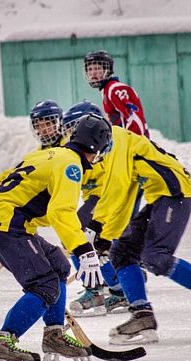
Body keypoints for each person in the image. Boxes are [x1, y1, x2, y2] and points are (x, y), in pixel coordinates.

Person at [83, 124, 191, 345]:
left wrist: (98, 227)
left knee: (155, 257)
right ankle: (142, 316)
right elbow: (126, 197)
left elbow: (117, 189)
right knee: (122, 253)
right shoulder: (116, 146)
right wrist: (107, 237)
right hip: (160, 198)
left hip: (176, 194)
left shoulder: (117, 143)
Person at [0, 112, 112, 361]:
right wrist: (84, 250)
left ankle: (54, 336)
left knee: (58, 265)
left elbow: (4, 181)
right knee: (44, 284)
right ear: (96, 146)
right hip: (7, 225)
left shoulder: (47, 154)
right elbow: (62, 211)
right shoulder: (71, 165)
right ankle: (4, 339)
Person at [61, 102, 137, 317]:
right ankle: (116, 288)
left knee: (77, 238)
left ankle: (96, 291)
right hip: (98, 200)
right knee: (84, 241)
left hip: (105, 198)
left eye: (75, 127)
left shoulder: (107, 148)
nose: (72, 133)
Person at [84, 50, 150, 139]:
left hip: (136, 147)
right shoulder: (106, 91)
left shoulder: (116, 88)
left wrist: (134, 146)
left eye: (97, 68)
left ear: (108, 70)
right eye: (90, 69)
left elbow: (135, 118)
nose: (93, 73)